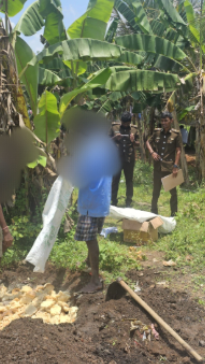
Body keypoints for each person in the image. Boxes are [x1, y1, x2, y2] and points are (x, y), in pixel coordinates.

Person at [59, 112, 120, 294]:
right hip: (102, 198)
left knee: (89, 238)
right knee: (93, 233)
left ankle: (95, 280)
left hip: (91, 201)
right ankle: (89, 262)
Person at [146, 112, 181, 217]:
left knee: (173, 193)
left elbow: (178, 151)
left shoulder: (176, 134)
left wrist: (175, 166)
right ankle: (153, 213)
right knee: (155, 192)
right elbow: (147, 142)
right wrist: (152, 152)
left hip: (169, 168)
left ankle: (174, 214)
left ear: (171, 121)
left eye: (166, 120)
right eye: (162, 121)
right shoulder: (157, 132)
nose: (163, 123)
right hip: (157, 167)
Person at [110, 112, 140, 207]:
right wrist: (115, 137)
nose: (125, 125)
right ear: (120, 120)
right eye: (123, 123)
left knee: (129, 181)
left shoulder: (134, 129)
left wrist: (133, 141)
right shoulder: (114, 127)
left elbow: (138, 144)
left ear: (130, 122)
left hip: (129, 159)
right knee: (115, 180)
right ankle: (113, 201)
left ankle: (128, 202)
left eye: (127, 123)